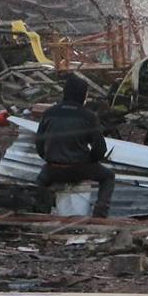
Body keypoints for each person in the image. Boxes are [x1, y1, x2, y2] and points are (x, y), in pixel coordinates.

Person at [35, 74, 115, 218]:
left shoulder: (49, 113)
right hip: (80, 168)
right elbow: (100, 149)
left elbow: (39, 144)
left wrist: (50, 159)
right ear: (83, 95)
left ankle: (40, 212)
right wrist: (89, 160)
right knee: (108, 177)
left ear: (65, 92)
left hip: (53, 169)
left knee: (40, 182)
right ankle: (100, 213)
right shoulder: (88, 116)